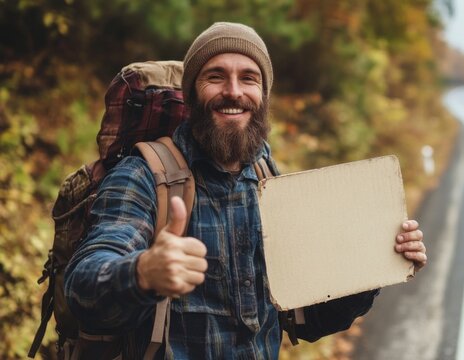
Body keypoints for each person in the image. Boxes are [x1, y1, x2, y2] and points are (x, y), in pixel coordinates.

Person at [65, 22, 427, 359]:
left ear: (264, 95)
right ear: (190, 96)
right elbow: (84, 284)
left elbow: (311, 320)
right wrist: (142, 273)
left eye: (249, 78)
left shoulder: (268, 180)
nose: (234, 91)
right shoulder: (143, 177)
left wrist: (370, 266)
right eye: (216, 76)